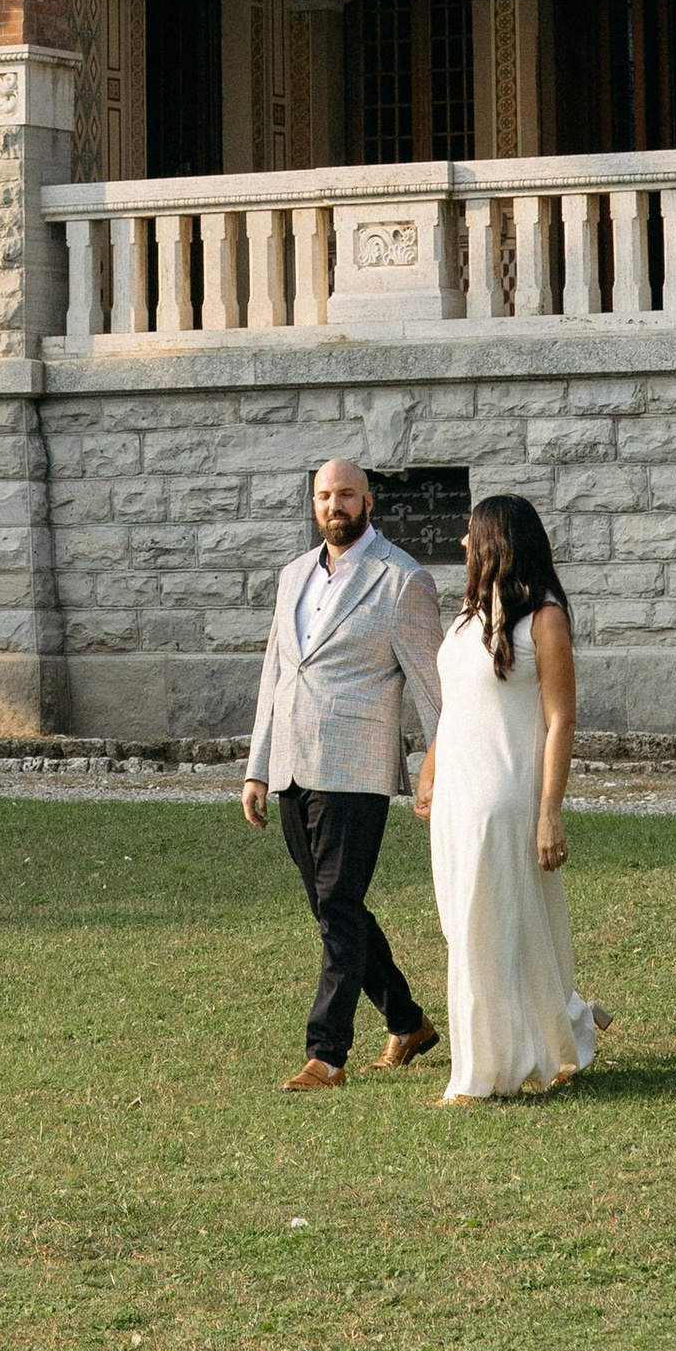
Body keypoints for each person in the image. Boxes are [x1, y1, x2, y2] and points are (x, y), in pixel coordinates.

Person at [241, 454, 444, 1091]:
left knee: (338, 904)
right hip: (293, 766)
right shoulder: (293, 575)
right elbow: (277, 673)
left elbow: (434, 689)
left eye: (348, 495)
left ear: (369, 502)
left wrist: (439, 766)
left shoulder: (402, 580)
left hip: (356, 769)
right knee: (334, 909)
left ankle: (326, 1054)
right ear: (314, 503)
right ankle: (407, 1021)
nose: (336, 506)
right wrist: (257, 768)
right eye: (325, 496)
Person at [413, 491, 606, 1103]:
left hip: (503, 793)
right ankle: (567, 1021)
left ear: (499, 540)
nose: (464, 543)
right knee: (477, 926)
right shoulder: (468, 616)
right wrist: (430, 769)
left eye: (473, 533)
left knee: (482, 929)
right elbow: (456, 706)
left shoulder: (543, 617)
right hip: (457, 795)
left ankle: (480, 1074)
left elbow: (561, 719)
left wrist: (549, 813)